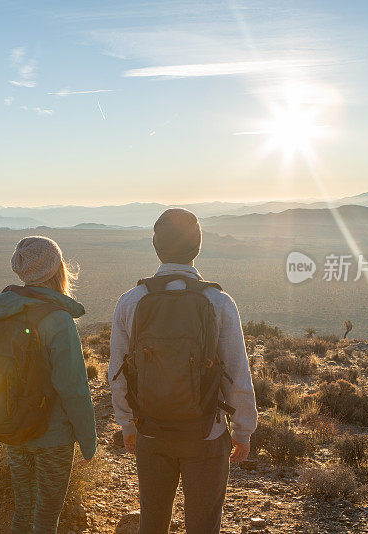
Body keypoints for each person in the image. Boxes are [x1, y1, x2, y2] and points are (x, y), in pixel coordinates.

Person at [108, 208, 257, 534]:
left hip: (150, 431)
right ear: (198, 246)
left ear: (155, 245)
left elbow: (117, 373)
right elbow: (237, 373)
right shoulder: (219, 302)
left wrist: (127, 425)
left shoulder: (131, 301)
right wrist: (243, 431)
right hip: (207, 433)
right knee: (204, 526)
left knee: (152, 523)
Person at [0, 236, 97, 534]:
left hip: (14, 428)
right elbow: (74, 388)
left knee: (23, 510)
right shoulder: (58, 319)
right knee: (46, 516)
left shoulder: (4, 311)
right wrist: (88, 440)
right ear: (58, 270)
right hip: (53, 436)